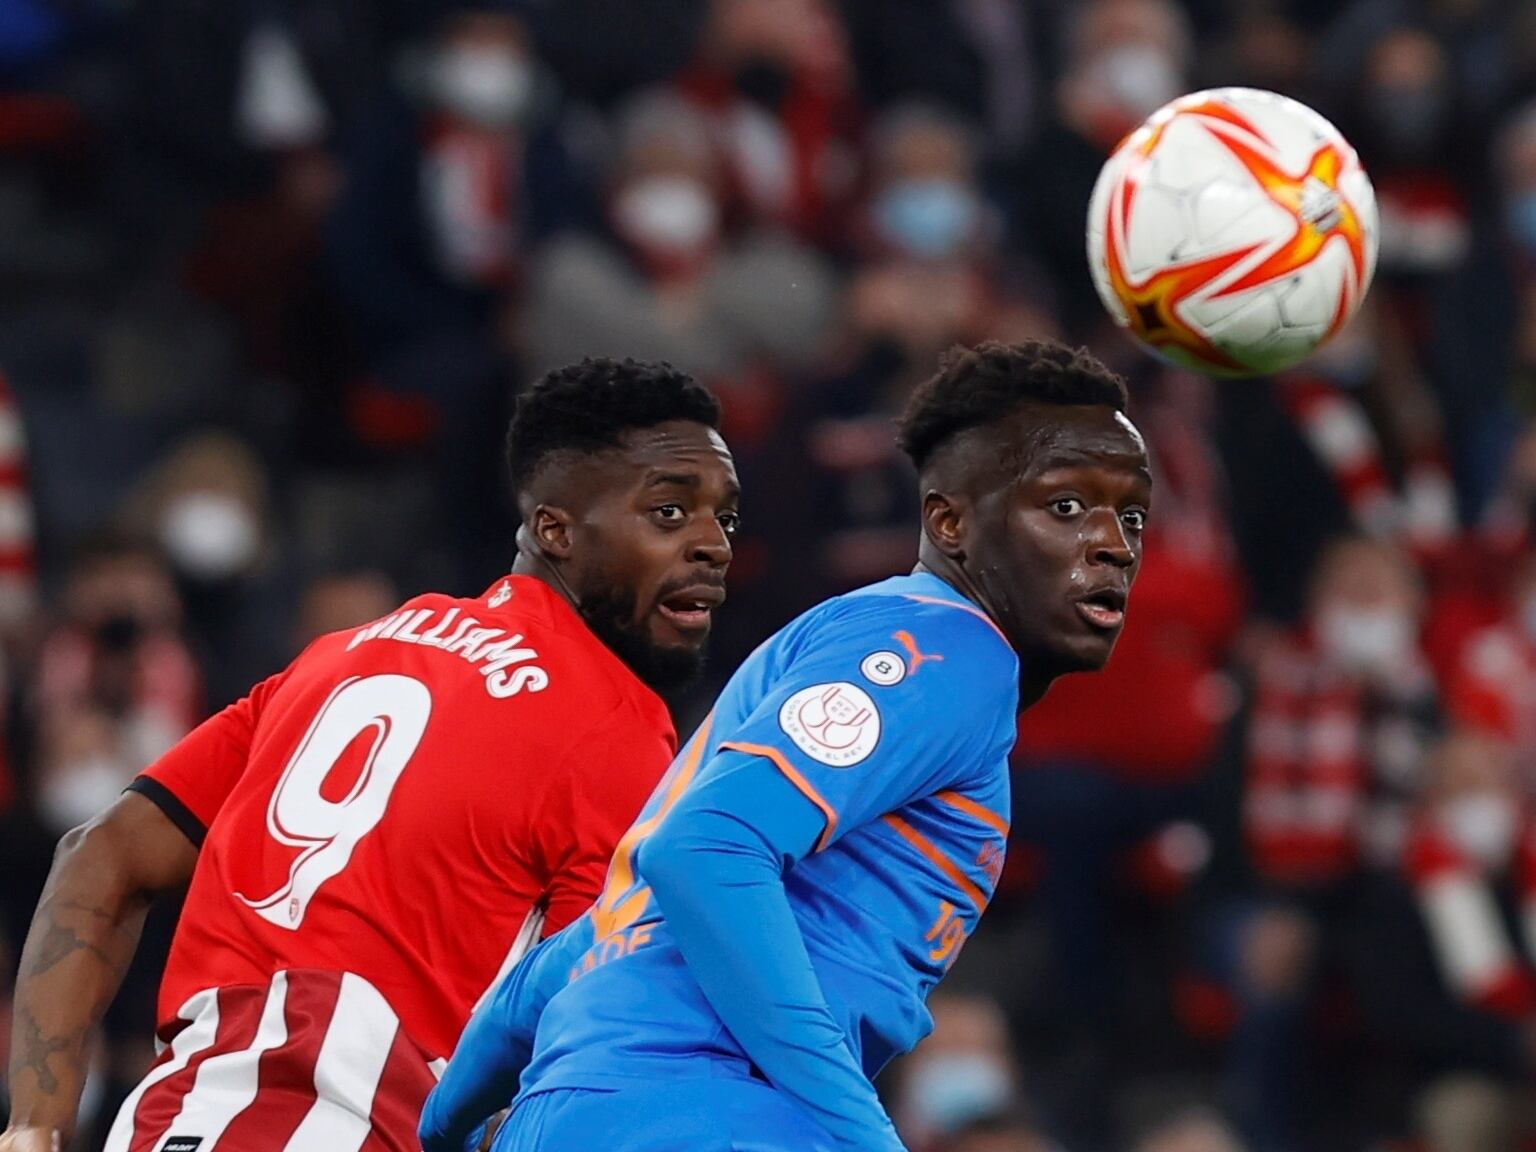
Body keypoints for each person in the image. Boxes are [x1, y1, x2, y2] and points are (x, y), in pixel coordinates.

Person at [420, 338, 1153, 1152]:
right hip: (714, 1118)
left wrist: (443, 1129)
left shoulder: (822, 648)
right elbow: (705, 851)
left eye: (1131, 515)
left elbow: (570, 962)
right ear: (951, 522)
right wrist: (857, 1132)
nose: (1114, 545)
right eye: (1065, 507)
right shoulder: (945, 653)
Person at [0, 357, 740, 1152]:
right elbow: (576, 1047)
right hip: (336, 1120)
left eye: (724, 520)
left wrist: (33, 1127)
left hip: (183, 1117)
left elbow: (102, 853)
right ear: (555, 529)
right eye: (669, 513)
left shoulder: (342, 657)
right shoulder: (615, 725)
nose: (713, 546)